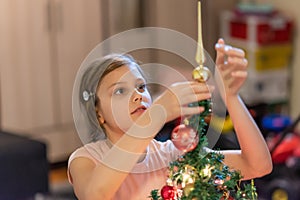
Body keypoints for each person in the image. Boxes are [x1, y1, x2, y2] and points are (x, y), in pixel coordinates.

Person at [68, 39, 272, 200]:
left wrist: (231, 96)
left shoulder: (171, 156)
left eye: (141, 87)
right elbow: (95, 194)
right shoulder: (86, 159)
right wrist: (156, 114)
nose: (138, 96)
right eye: (120, 91)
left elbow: (257, 165)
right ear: (98, 113)